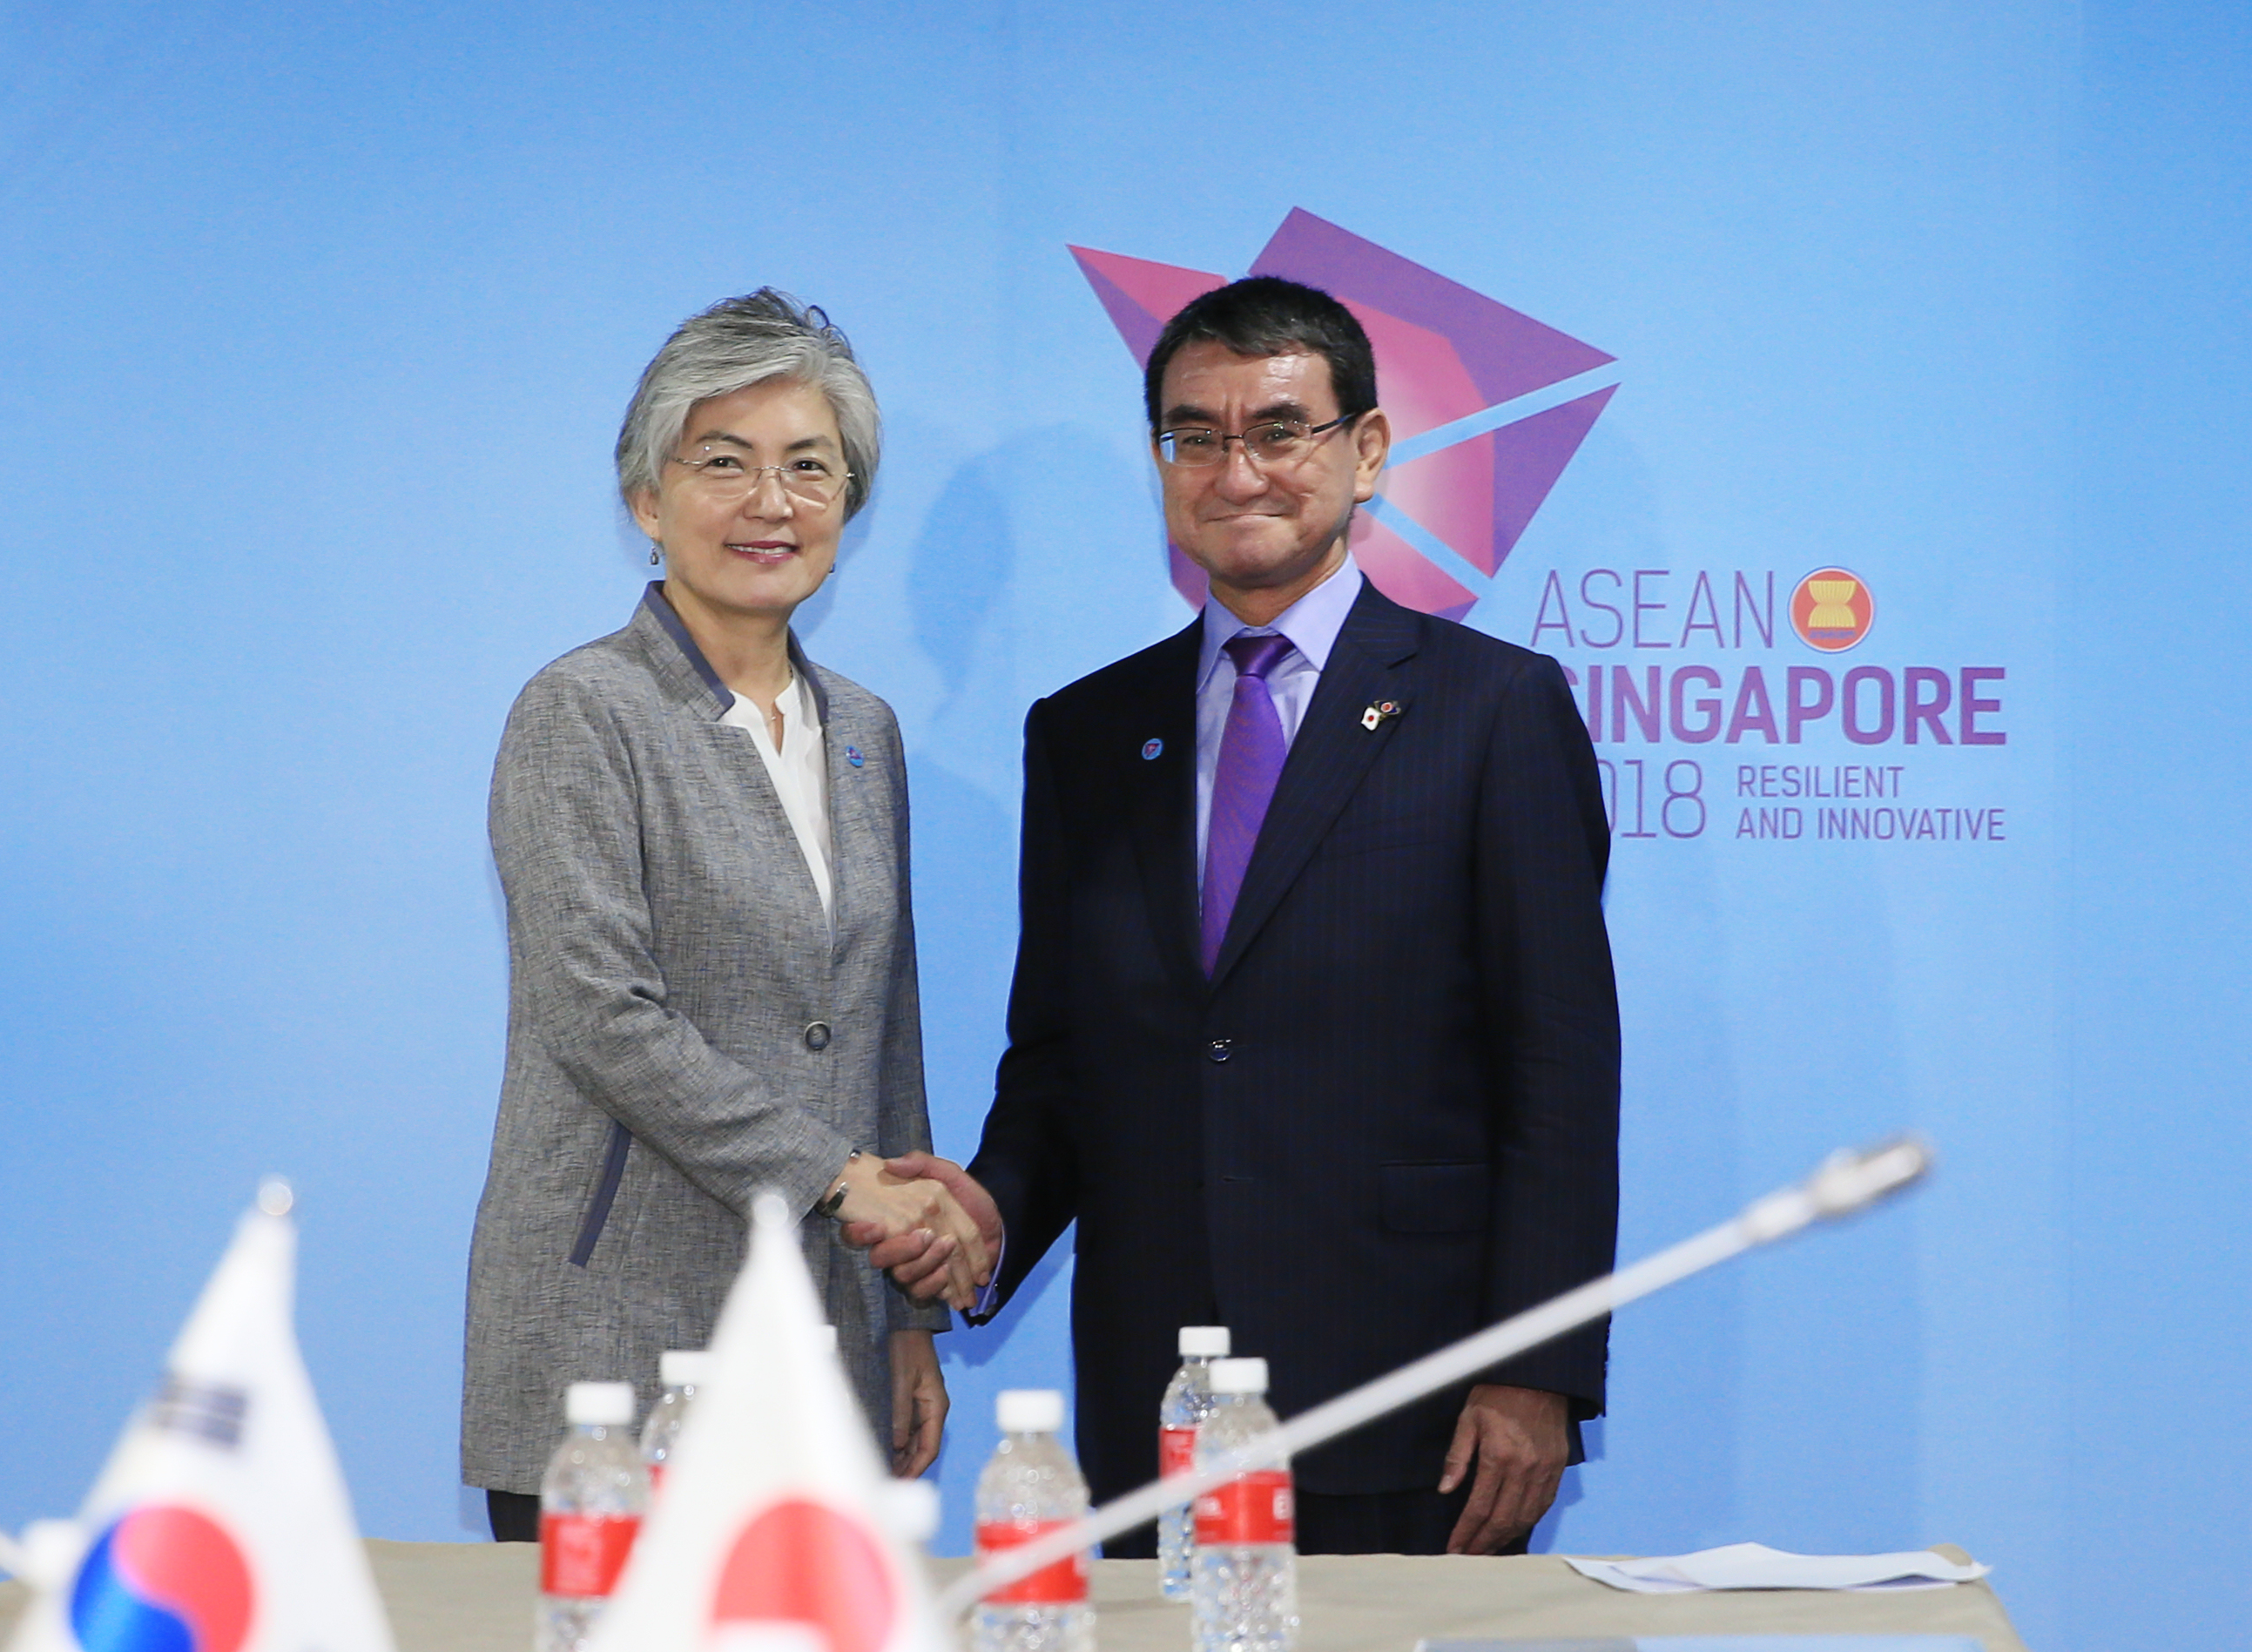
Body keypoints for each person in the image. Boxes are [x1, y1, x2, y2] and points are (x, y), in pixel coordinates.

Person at [862, 276, 1619, 1557]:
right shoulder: (1086, 730)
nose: (1236, 470)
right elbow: (1062, 1061)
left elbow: (1558, 1070)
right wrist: (993, 1213)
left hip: (1418, 1402)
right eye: (1194, 436)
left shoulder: (1494, 710)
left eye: (1279, 430)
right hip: (1154, 1407)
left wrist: (1535, 1367)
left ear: (1366, 451)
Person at [462, 290, 989, 1542]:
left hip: (824, 1338)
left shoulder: (862, 730)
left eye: (809, 466)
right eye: (723, 462)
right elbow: (601, 1016)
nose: (771, 501)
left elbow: (883, 1030)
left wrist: (906, 1315)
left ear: (848, 503)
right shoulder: (582, 709)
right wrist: (842, 1180)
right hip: (614, 1340)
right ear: (646, 499)